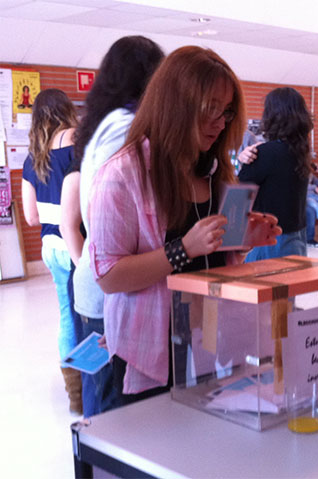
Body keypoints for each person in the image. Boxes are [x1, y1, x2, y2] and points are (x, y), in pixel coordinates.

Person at [89, 46, 280, 403]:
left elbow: (211, 257)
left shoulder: (215, 168)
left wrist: (242, 240)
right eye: (210, 111)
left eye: (226, 113)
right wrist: (182, 249)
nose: (220, 124)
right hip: (151, 353)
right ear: (177, 105)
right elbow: (109, 275)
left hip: (211, 344)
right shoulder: (121, 174)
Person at [60, 35, 164, 417]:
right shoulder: (127, 130)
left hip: (97, 280)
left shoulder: (104, 125)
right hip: (114, 289)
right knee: (113, 415)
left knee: (101, 401)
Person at [21, 89, 82, 414]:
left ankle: (73, 391)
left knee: (66, 315)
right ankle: (91, 383)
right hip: (76, 246)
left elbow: (31, 216)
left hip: (49, 248)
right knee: (86, 313)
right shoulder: (77, 143)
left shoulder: (32, 158)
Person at [238, 87, 311, 262]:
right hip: (297, 237)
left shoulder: (264, 153)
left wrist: (242, 162)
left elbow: (237, 193)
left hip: (268, 240)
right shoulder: (301, 152)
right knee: (289, 288)